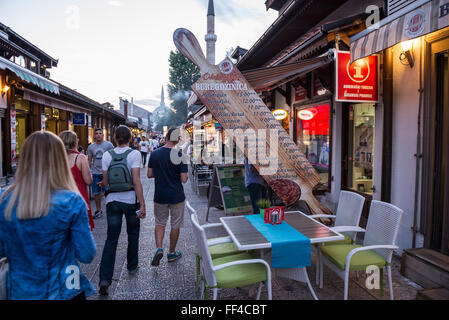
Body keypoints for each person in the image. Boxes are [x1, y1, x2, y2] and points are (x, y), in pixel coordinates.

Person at [0, 131, 96, 300]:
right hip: (65, 288)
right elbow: (86, 254)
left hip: (21, 290)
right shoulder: (71, 201)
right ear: (59, 159)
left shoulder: (5, 199)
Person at [98, 125, 146, 296]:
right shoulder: (134, 154)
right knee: (133, 233)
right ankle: (132, 265)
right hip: (130, 199)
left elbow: (105, 182)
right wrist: (142, 203)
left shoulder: (106, 155)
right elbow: (136, 181)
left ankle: (104, 279)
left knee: (111, 238)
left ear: (115, 138)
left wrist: (102, 185)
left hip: (112, 201)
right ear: (130, 138)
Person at [147, 127, 188, 266]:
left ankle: (159, 248)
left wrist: (161, 172)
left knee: (160, 223)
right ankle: (171, 252)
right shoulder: (180, 155)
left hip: (160, 195)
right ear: (178, 139)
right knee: (175, 224)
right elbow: (184, 179)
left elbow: (149, 174)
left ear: (166, 136)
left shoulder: (155, 154)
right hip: (176, 195)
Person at [60, 130, 95, 231]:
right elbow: (88, 180)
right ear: (74, 142)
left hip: (61, 200)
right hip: (79, 199)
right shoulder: (80, 158)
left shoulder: (56, 158)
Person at [87, 128, 114, 219]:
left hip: (106, 172)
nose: (98, 135)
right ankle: (99, 210)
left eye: (100, 133)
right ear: (94, 135)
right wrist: (89, 171)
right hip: (95, 172)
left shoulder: (109, 145)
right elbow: (89, 161)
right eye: (97, 133)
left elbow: (113, 157)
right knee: (96, 193)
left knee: (108, 191)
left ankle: (110, 208)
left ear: (103, 135)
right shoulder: (91, 147)